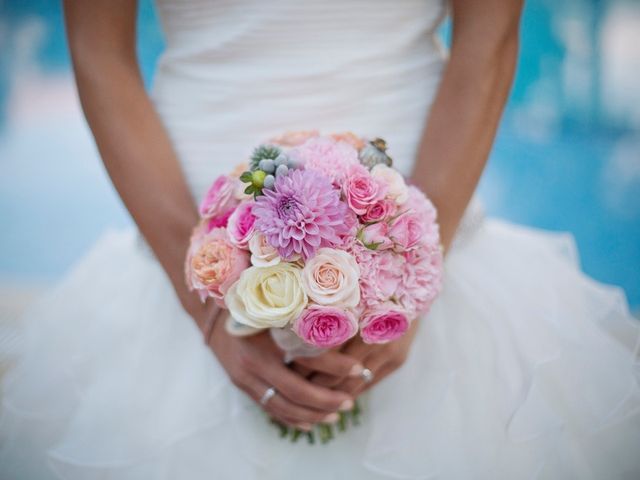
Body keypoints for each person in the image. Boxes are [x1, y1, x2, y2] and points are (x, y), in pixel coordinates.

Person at [2, 0, 639, 478]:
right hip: (179, 255)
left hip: (437, 258)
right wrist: (208, 308)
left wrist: (409, 278)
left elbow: (490, 39)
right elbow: (98, 54)